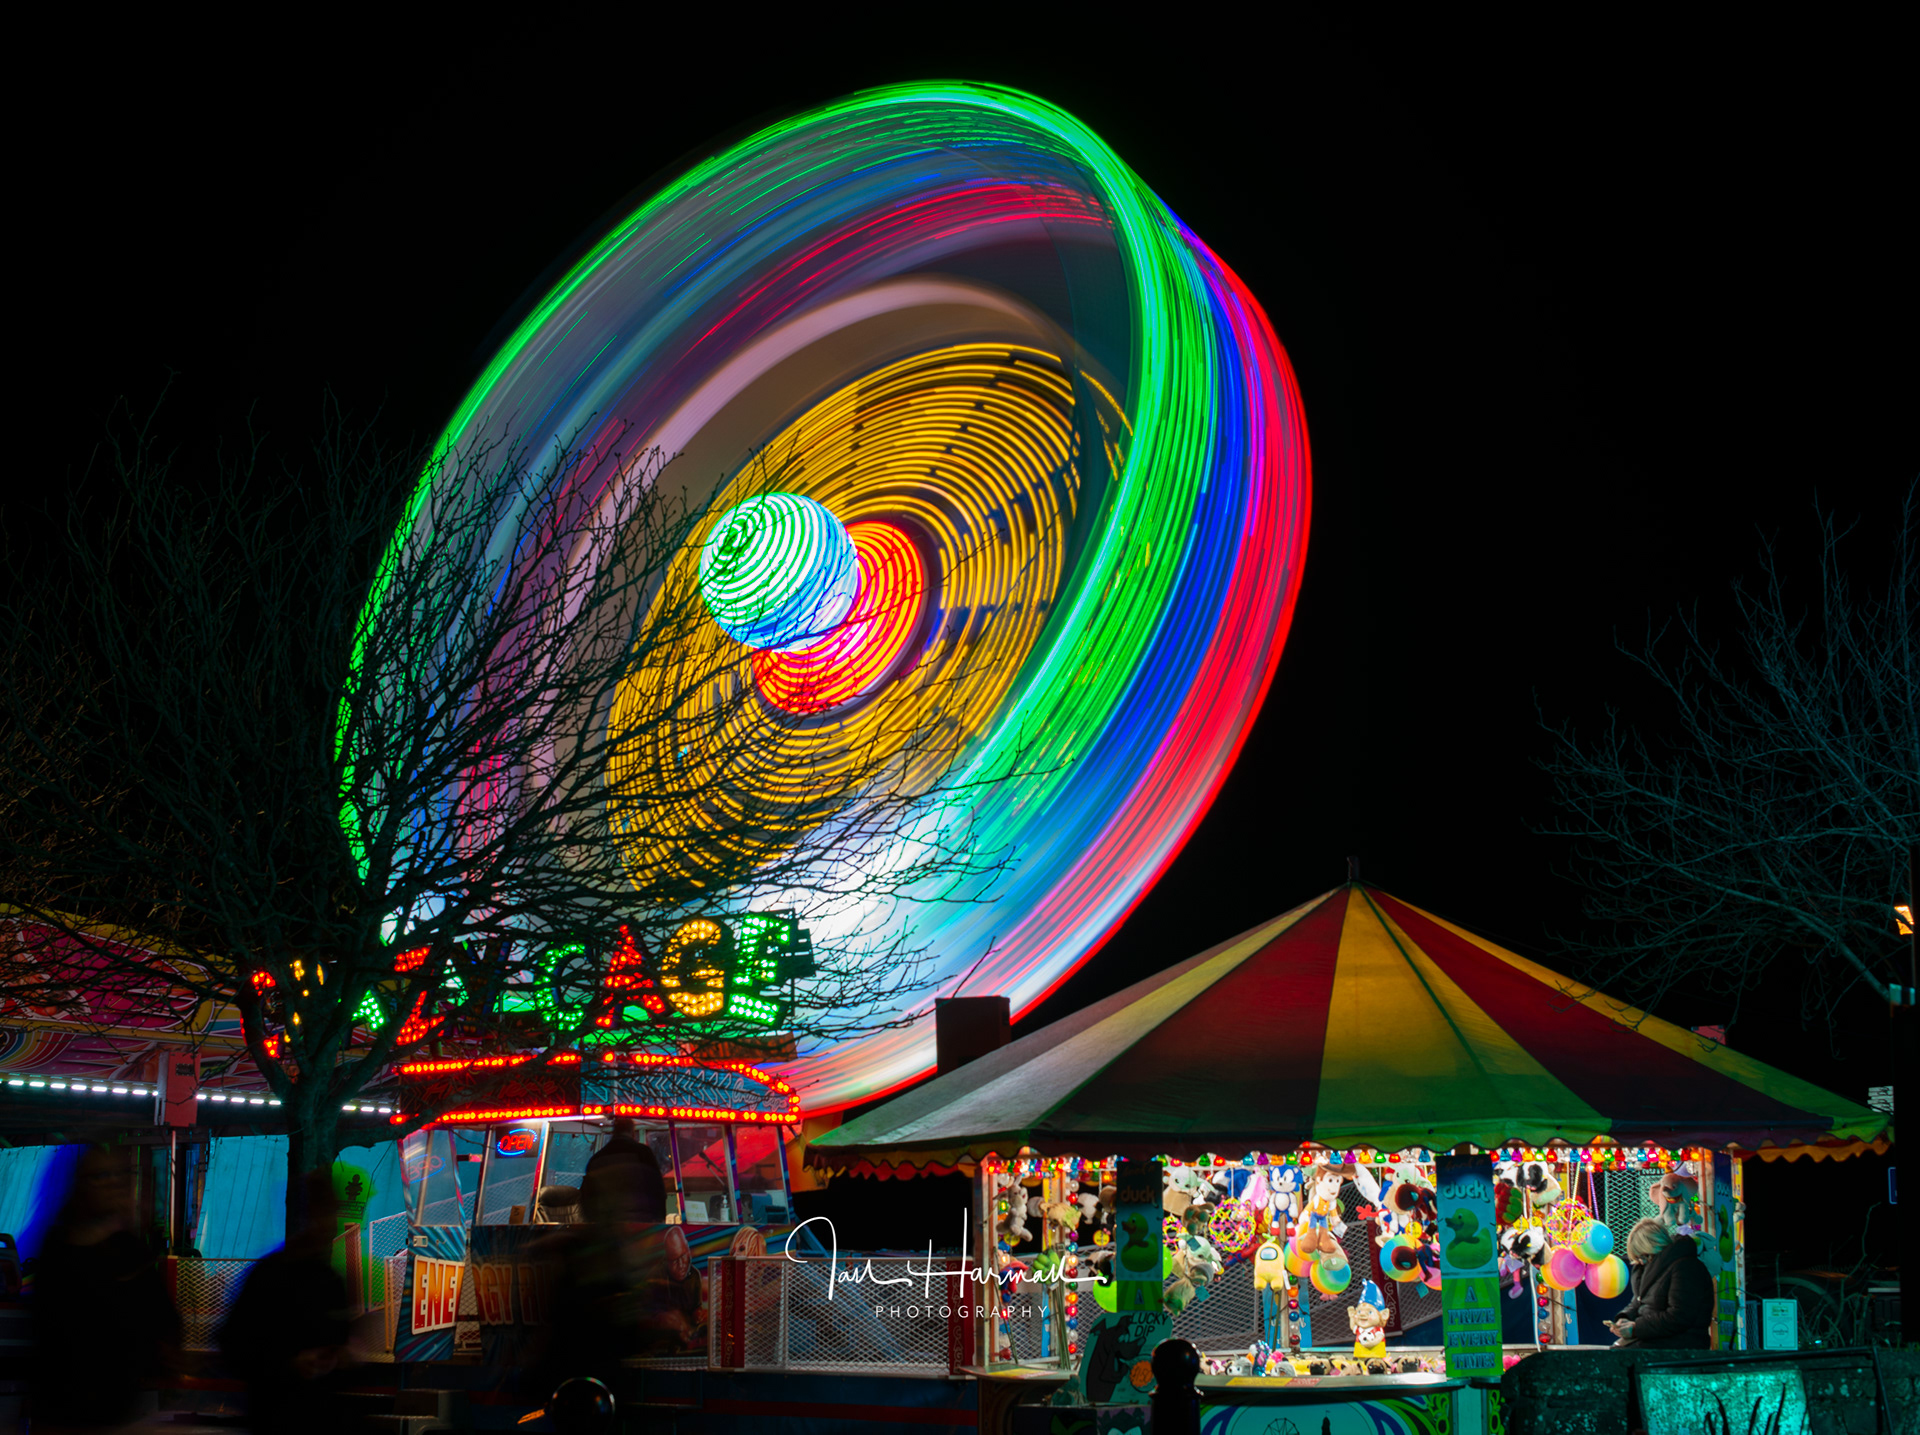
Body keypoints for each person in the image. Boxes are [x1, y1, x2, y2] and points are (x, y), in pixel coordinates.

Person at [29, 1146, 181, 1433]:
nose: (114, 1184)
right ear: (81, 1185)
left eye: (121, 1175)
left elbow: (164, 1323)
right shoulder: (61, 1249)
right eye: (102, 1176)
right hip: (67, 1413)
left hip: (112, 1411)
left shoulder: (128, 1249)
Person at [220, 1172, 354, 1435]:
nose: (330, 1223)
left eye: (331, 1212)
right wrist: (289, 1365)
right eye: (323, 1212)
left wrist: (339, 1357)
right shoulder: (271, 1276)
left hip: (311, 1412)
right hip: (278, 1412)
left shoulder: (329, 1279)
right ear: (306, 1215)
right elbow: (236, 1345)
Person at [1606, 1217, 1715, 1348]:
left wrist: (1636, 1328)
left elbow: (1679, 1317)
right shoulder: (1652, 1270)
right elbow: (1638, 1303)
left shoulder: (1686, 1267)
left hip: (1681, 1344)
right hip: (1658, 1340)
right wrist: (1625, 1318)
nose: (1641, 1262)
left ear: (1652, 1247)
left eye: (1643, 1256)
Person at [581, 1117, 667, 1223]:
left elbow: (587, 1197)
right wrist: (659, 1219)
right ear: (632, 1133)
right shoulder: (643, 1153)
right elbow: (657, 1188)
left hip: (606, 1224)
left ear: (614, 1132)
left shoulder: (596, 1159)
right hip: (640, 1222)